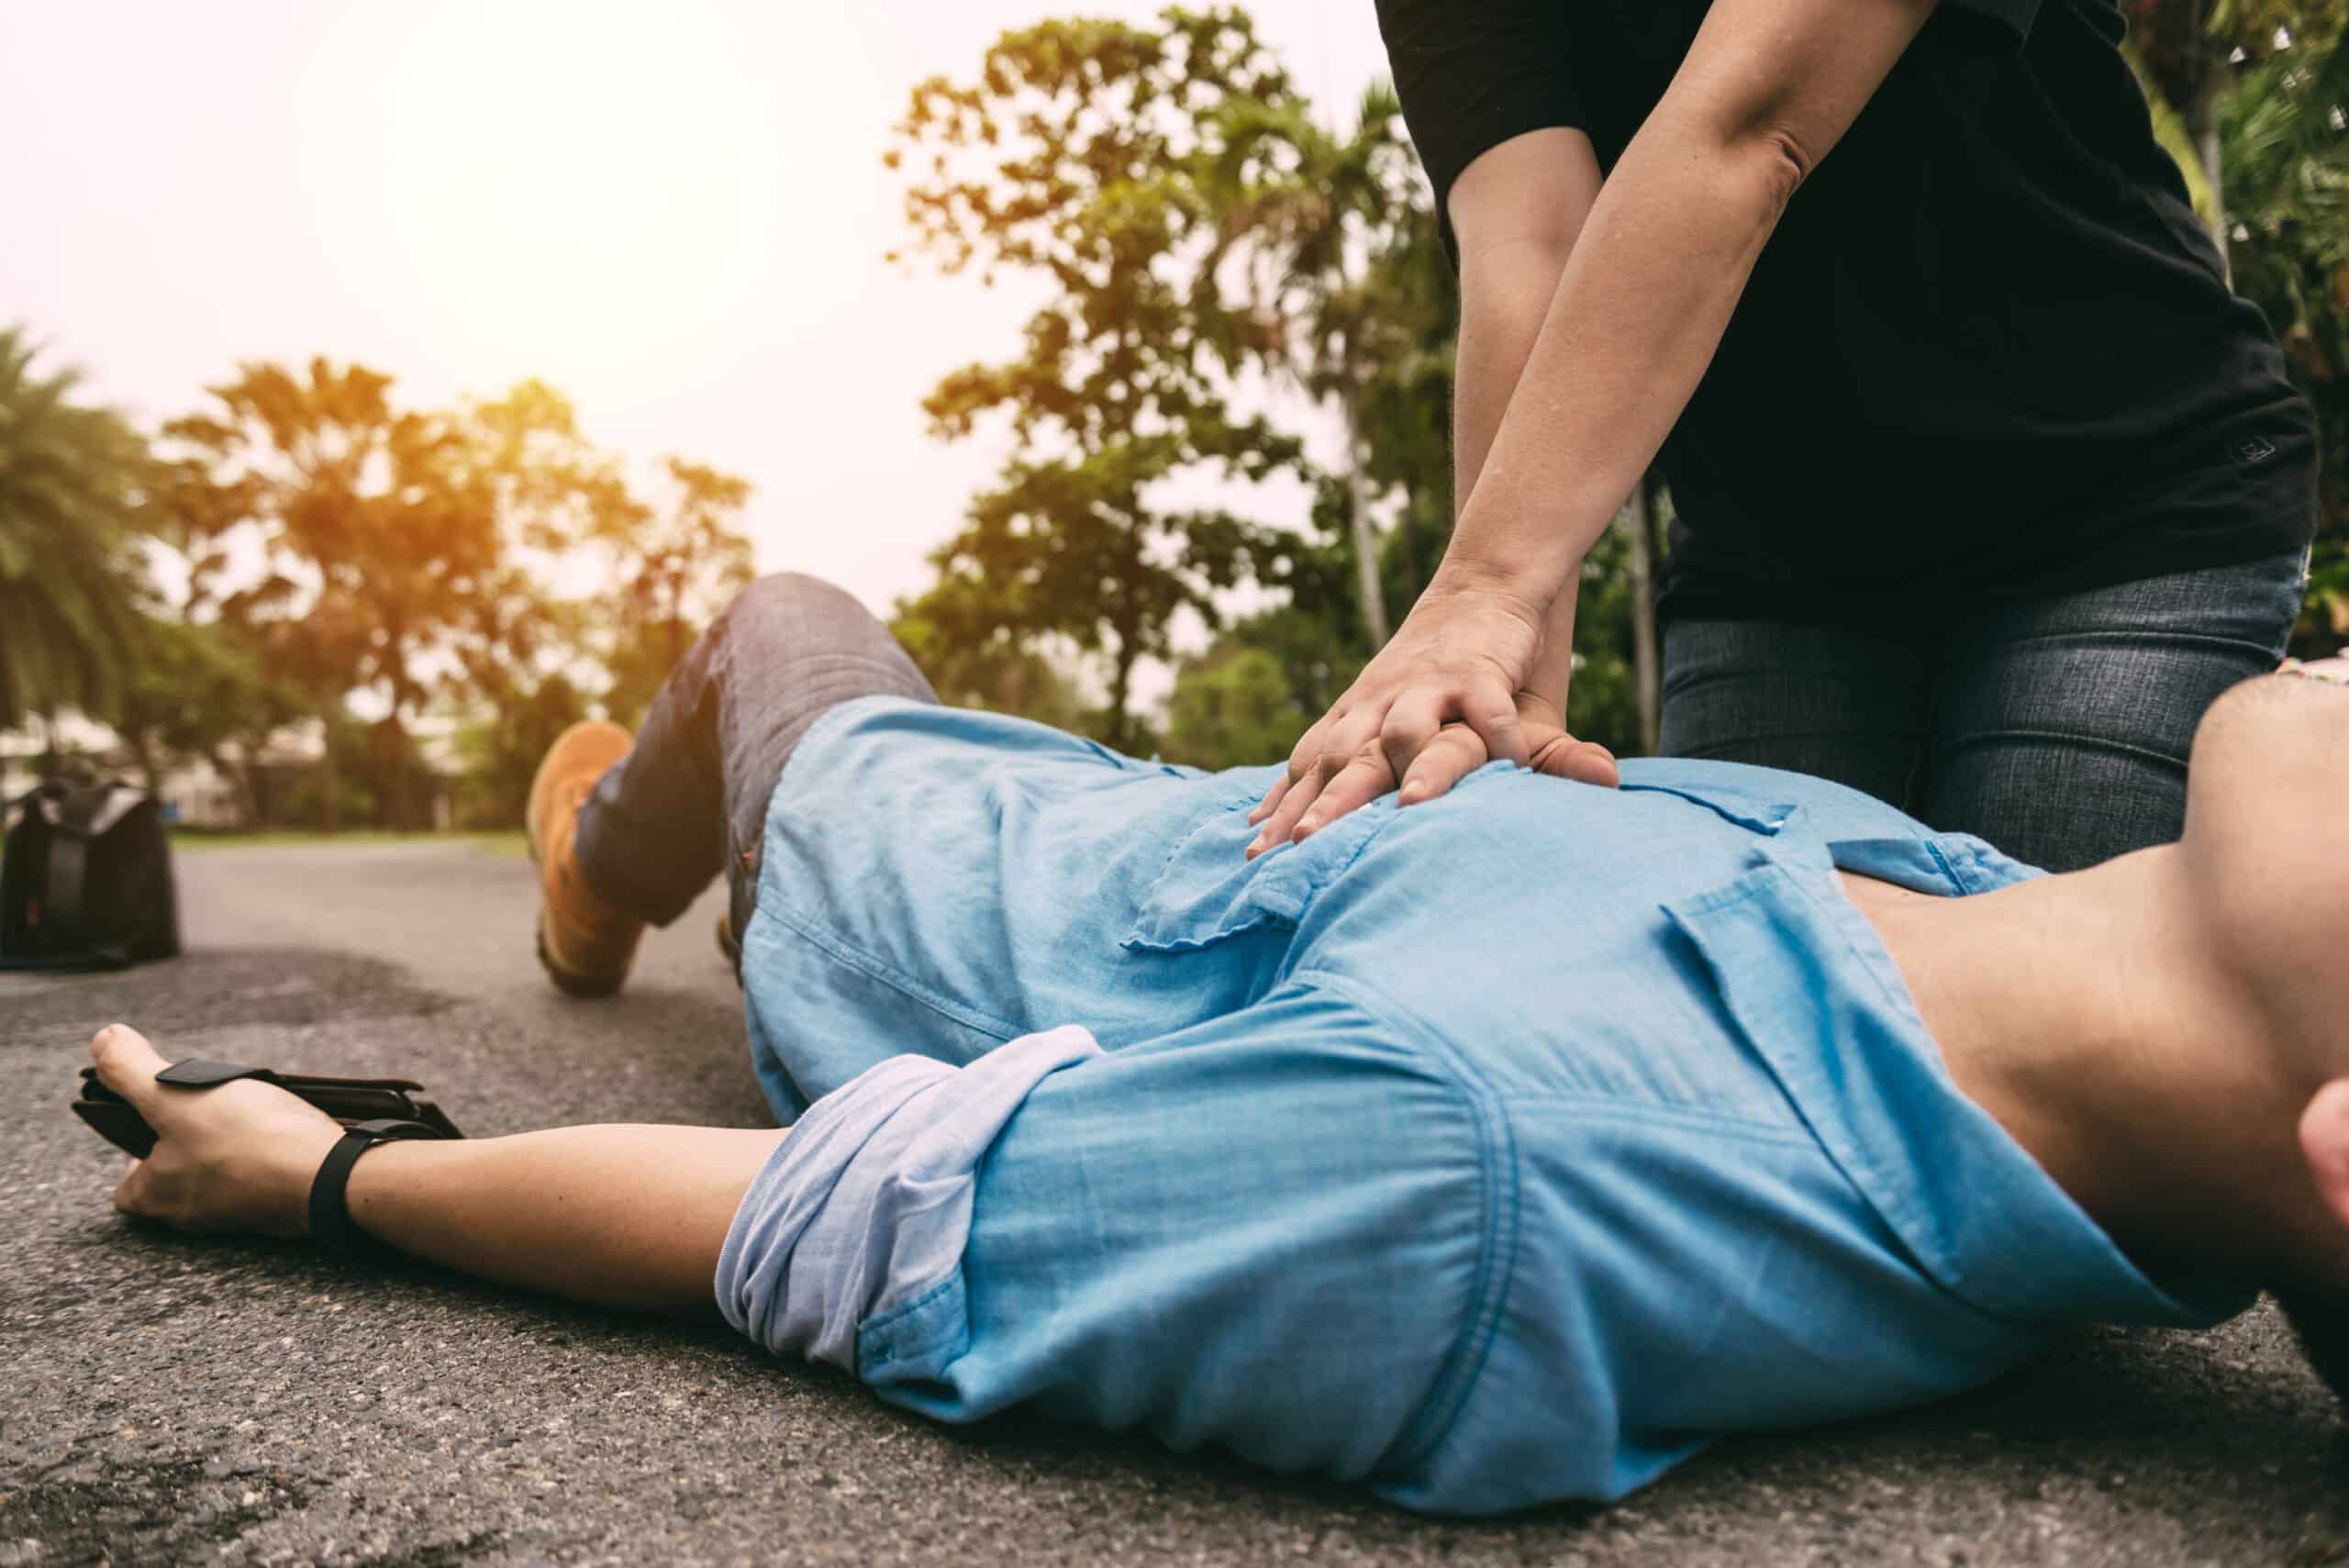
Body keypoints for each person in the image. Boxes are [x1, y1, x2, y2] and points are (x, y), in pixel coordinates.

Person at [92, 574, 2349, 1518]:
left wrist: (315, 1178)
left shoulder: (1485, 1175)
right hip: (1143, 814)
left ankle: (600, 865)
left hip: (896, 853)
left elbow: (841, 1216)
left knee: (776, 618)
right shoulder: (1971, 906)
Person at [1246, 0, 2319, 875]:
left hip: (2120, 515)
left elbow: (1751, 127)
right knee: (1771, 1012)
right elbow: (1530, 244)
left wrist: (1485, 587)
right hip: (1778, 562)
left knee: (2015, 1016)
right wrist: (1512, 685)